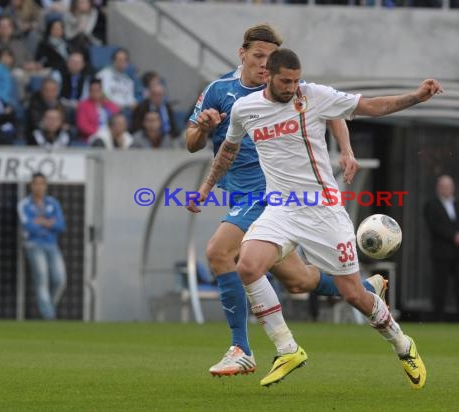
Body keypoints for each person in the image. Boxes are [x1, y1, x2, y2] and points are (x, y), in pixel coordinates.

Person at [188, 48, 443, 388]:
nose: (292, 87)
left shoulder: (314, 96)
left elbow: (370, 106)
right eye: (285, 81)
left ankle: (401, 343)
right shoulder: (244, 109)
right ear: (269, 76)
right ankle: (287, 348)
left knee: (353, 294)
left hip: (322, 210)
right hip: (280, 207)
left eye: (296, 80)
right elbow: (228, 149)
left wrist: (416, 97)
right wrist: (206, 187)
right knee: (247, 266)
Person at [17, 172, 67, 320]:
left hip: (52, 245)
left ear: (45, 186)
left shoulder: (53, 203)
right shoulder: (24, 204)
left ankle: (49, 307)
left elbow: (61, 225)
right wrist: (48, 224)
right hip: (33, 245)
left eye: (41, 183)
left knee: (60, 279)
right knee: (42, 278)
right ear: (31, 186)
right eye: (35, 183)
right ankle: (49, 315)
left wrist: (42, 222)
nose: (38, 187)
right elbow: (28, 226)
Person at [424, 175, 459, 322]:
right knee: (440, 286)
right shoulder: (432, 205)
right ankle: (438, 317)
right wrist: (453, 236)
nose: (446, 189)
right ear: (438, 188)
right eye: (443, 187)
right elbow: (435, 226)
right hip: (441, 252)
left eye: (449, 186)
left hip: (458, 253)